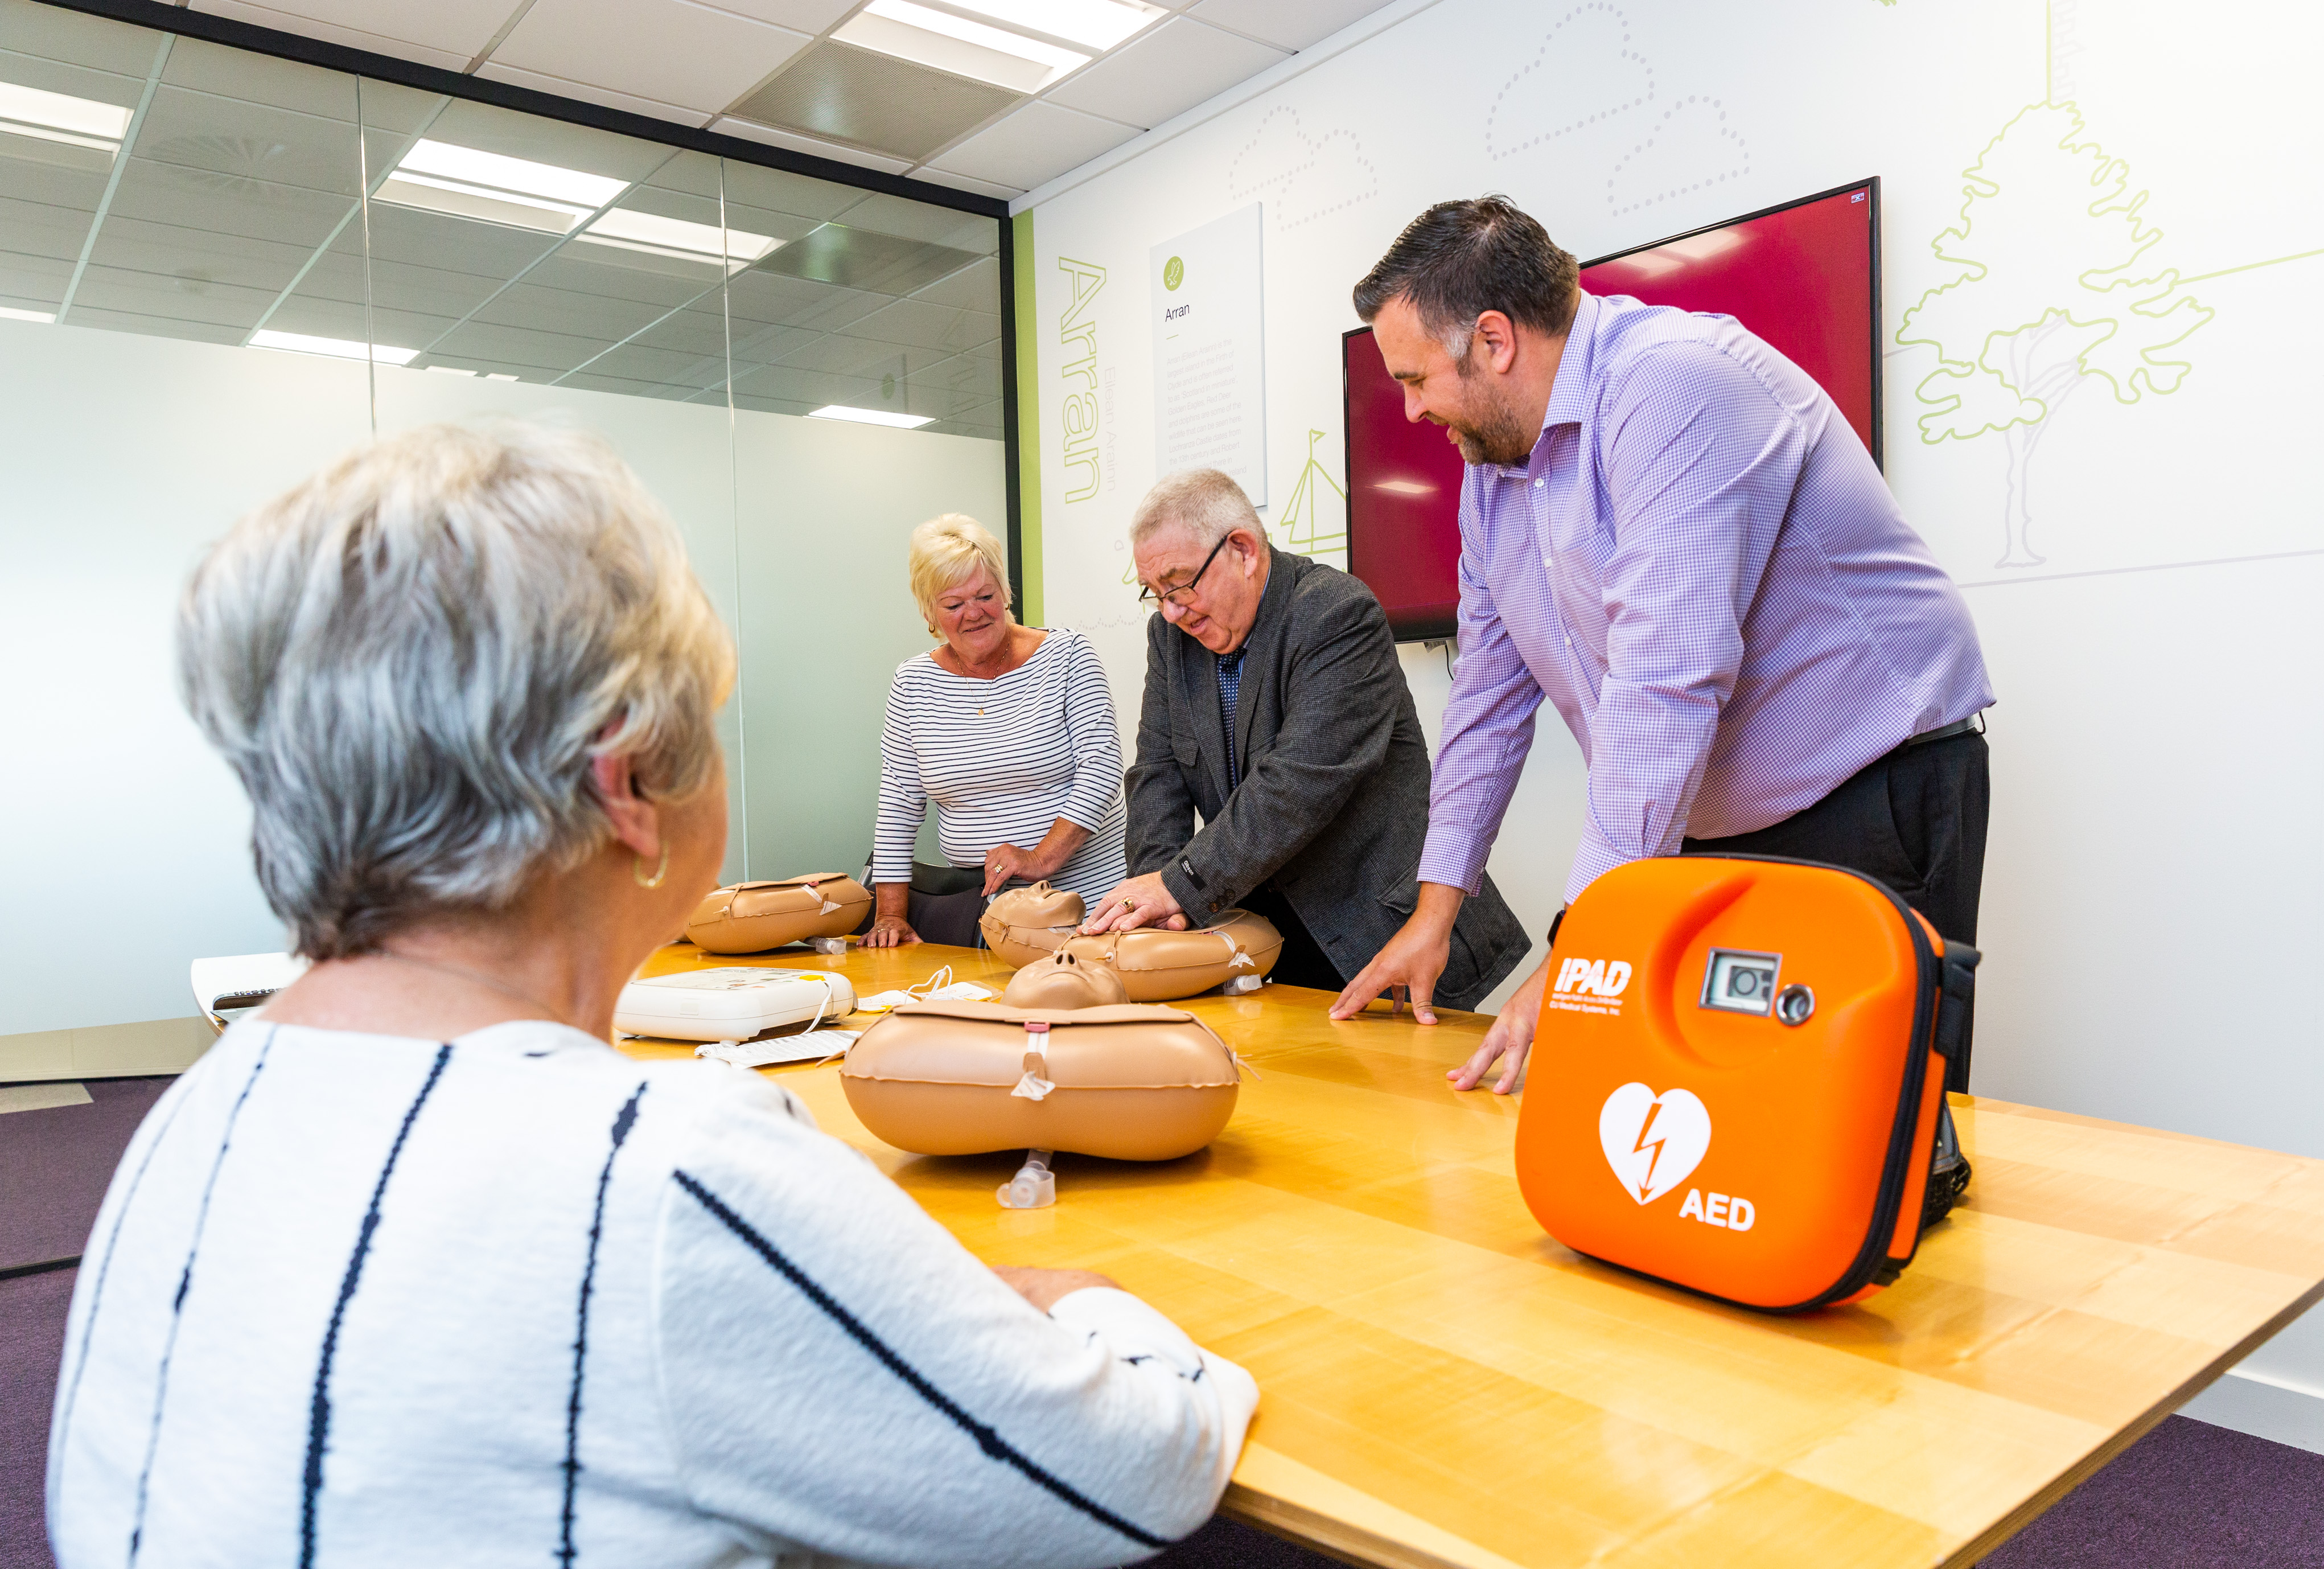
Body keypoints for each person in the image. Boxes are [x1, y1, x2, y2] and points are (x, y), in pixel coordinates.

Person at [47, 425, 1253, 1567]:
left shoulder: (192, 1120)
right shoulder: (669, 1172)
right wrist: (1084, 1297)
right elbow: (1140, 1467)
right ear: (629, 783)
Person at [1332, 196, 1995, 1095]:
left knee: (1864, 1121)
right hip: (1704, 817)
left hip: (1867, 792)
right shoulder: (1493, 475)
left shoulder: (1672, 383)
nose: (1410, 412)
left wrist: (1580, 947)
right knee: (1709, 1115)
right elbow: (1486, 698)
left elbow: (1665, 686)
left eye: (1414, 378)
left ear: (1492, 342)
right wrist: (1436, 908)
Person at [1083, 467, 1527, 1008]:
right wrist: (1156, 902)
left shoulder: (1335, 613)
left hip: (1381, 933)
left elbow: (1296, 784)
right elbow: (1157, 774)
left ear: (1243, 550)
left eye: (1179, 585)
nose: (1172, 612)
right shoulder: (1171, 639)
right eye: (1156, 595)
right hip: (1268, 947)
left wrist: (1180, 884)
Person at [864, 515, 1127, 948]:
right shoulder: (912, 683)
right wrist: (891, 915)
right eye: (953, 605)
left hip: (1090, 904)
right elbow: (899, 807)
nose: (974, 614)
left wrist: (1040, 858)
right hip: (986, 915)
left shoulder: (1068, 656)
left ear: (1005, 592)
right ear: (929, 611)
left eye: (985, 595)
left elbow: (1101, 772)